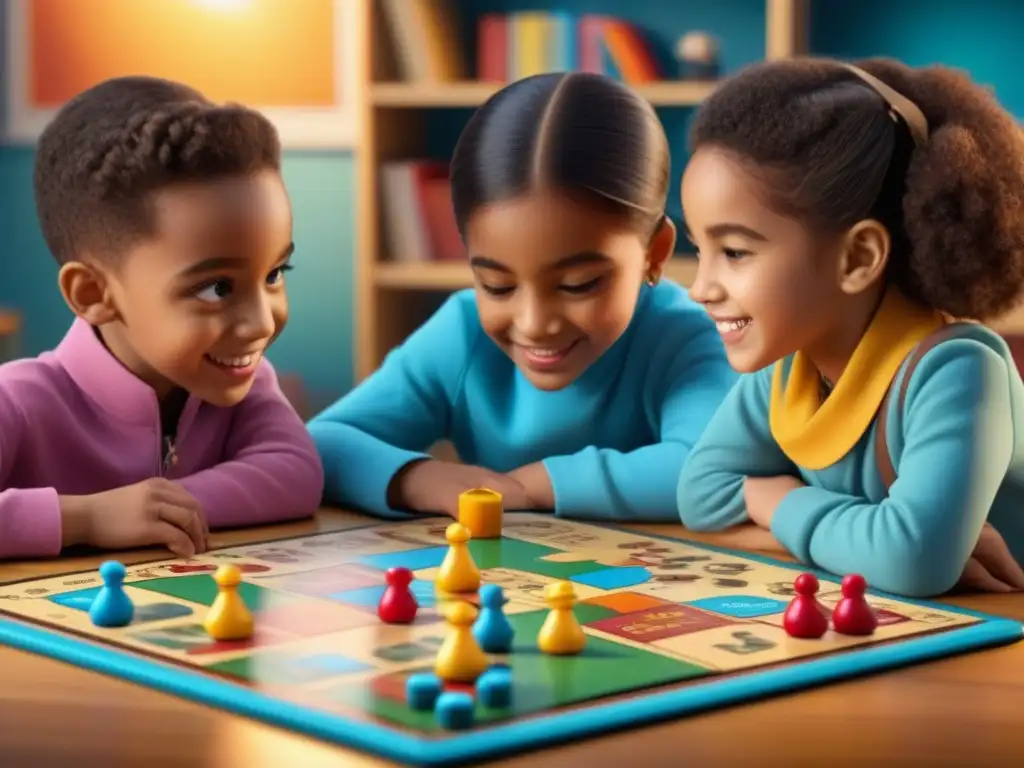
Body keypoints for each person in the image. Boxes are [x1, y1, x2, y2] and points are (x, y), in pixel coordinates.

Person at [309, 72, 736, 522]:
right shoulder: (462, 332)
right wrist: (415, 478)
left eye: (577, 284)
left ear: (655, 252)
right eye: (498, 286)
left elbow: (710, 471)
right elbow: (321, 443)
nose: (534, 322)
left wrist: (530, 487)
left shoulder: (690, 338)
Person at [675, 57, 1024, 598]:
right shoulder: (790, 365)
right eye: (701, 250)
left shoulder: (957, 370)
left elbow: (909, 562)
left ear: (858, 257)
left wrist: (774, 502)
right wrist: (866, 538)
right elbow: (699, 496)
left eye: (735, 251)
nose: (700, 287)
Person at [0, 76, 324, 561]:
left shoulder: (242, 381)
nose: (260, 323)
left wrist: (161, 509)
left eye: (275, 273)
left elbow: (296, 472)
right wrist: (87, 518)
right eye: (217, 288)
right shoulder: (18, 401)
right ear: (93, 293)